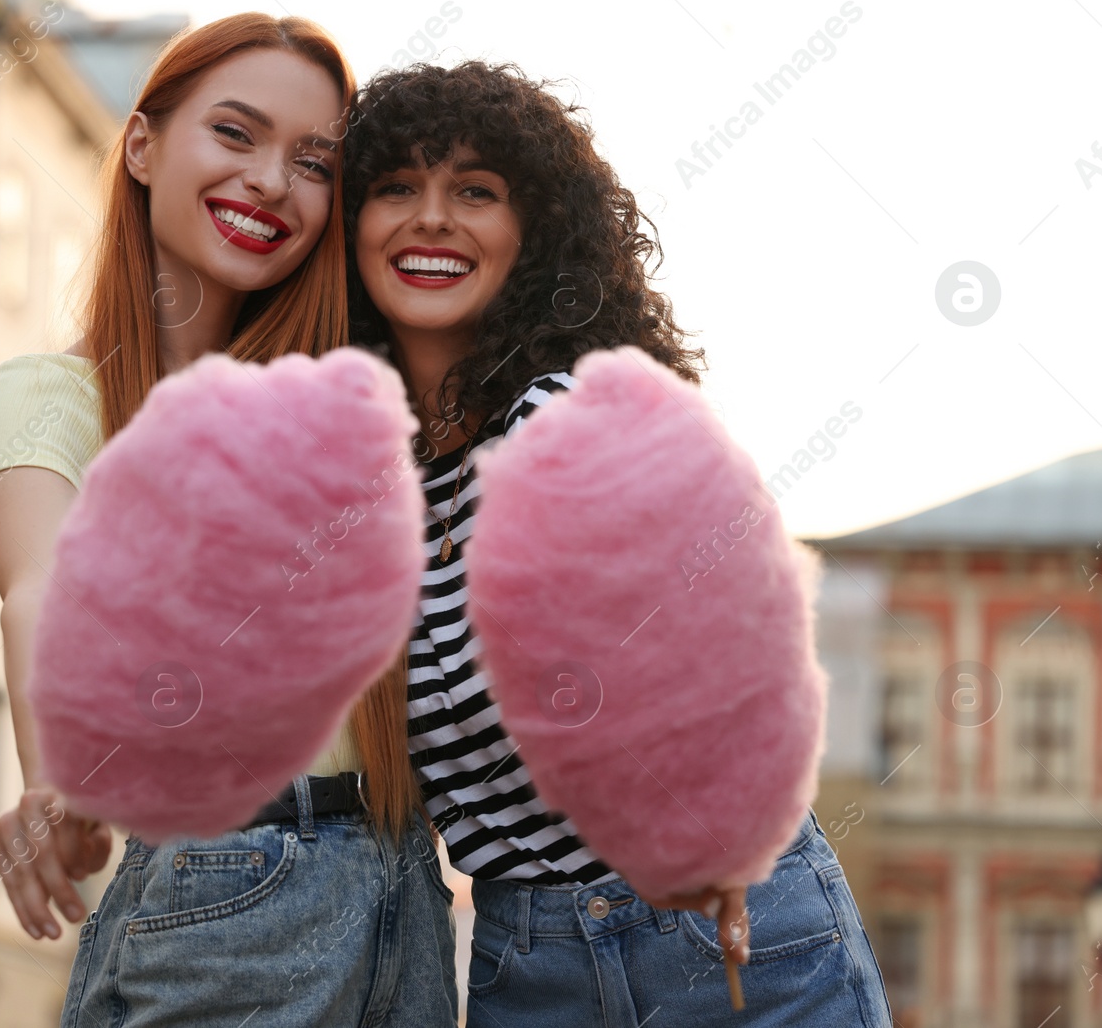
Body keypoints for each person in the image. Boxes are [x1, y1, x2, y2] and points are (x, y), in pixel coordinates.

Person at [344, 60, 893, 1027]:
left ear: (535, 233)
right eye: (396, 187)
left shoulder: (570, 415)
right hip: (530, 958)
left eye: (475, 191)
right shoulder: (372, 486)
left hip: (723, 932)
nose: (432, 217)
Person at [0, 15, 457, 1026]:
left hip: (404, 895)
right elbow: (41, 590)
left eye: (313, 162)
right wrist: (61, 777)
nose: (272, 181)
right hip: (233, 881)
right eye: (235, 134)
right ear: (142, 145)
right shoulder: (56, 398)